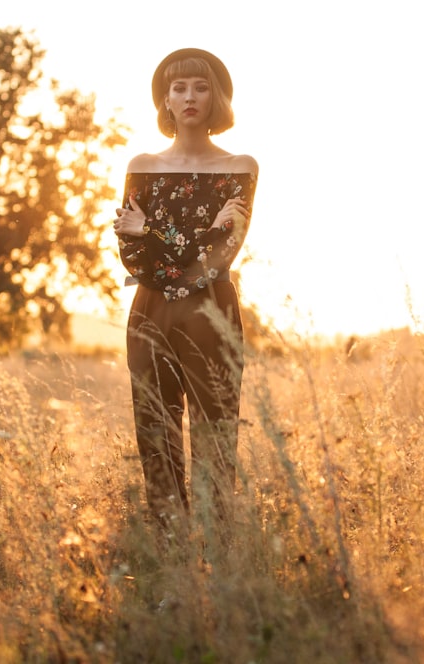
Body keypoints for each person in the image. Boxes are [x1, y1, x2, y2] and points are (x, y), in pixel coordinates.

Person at [113, 48, 258, 534]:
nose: (190, 96)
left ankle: (219, 552)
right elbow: (130, 257)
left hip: (212, 310)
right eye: (179, 87)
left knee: (215, 433)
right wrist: (191, 240)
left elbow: (220, 255)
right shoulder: (142, 164)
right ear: (166, 100)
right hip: (149, 311)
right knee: (155, 429)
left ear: (216, 97)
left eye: (200, 86)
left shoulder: (240, 165)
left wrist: (151, 228)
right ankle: (172, 551)